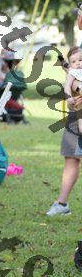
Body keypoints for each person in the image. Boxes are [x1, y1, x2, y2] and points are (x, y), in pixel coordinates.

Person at [47, 47, 82, 217]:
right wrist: (70, 99)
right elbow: (70, 88)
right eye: (73, 61)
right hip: (75, 116)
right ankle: (62, 204)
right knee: (71, 158)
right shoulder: (72, 72)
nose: (78, 63)